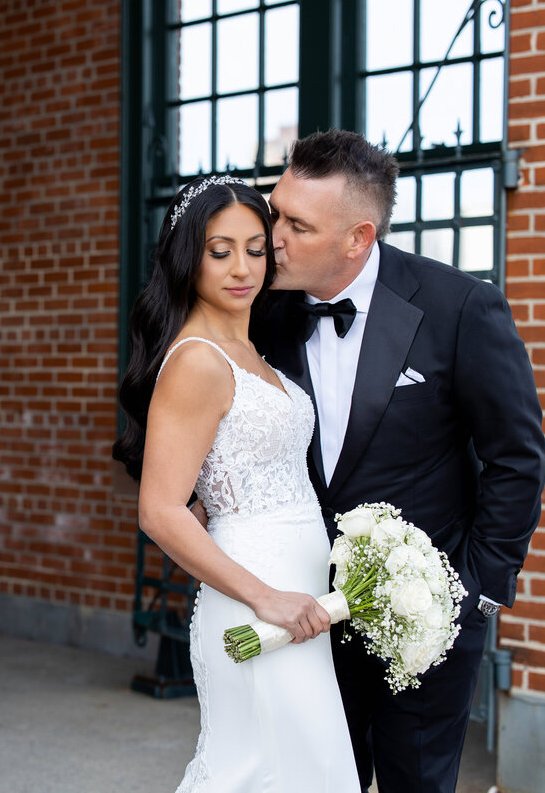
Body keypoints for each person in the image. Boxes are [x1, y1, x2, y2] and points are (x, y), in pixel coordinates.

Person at [255, 128, 545, 793]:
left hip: (423, 623)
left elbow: (517, 457)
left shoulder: (460, 308)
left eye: (296, 224)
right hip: (300, 618)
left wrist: (472, 594)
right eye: (276, 212)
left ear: (358, 237)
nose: (273, 236)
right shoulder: (262, 312)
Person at [114, 175, 361, 792]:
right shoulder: (198, 359)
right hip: (259, 601)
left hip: (300, 600)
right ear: (187, 257)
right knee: (272, 772)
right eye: (219, 251)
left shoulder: (249, 350)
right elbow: (161, 511)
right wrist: (264, 597)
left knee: (301, 772)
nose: (242, 267)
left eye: (256, 248)